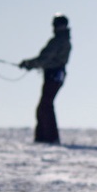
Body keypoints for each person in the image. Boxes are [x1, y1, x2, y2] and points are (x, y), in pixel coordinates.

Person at [19, 14, 72, 144]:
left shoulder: (59, 40)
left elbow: (45, 58)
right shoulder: (63, 40)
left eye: (56, 24)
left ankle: (48, 138)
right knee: (45, 106)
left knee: (45, 106)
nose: (54, 27)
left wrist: (29, 64)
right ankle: (44, 138)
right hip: (55, 75)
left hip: (54, 75)